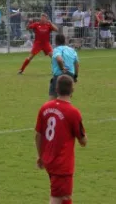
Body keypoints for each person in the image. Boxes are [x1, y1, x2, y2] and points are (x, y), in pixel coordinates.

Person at [35, 75, 87, 204]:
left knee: (64, 197)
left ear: (56, 89)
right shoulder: (73, 112)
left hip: (49, 160)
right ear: (72, 90)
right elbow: (83, 141)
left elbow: (38, 135)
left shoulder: (45, 108)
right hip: (62, 164)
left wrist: (40, 156)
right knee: (58, 198)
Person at [49, 34, 80, 101]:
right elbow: (77, 64)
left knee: (52, 99)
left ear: (56, 41)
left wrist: (62, 68)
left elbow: (59, 59)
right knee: (66, 98)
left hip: (59, 76)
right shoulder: (72, 50)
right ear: (64, 41)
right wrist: (75, 76)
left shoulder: (56, 50)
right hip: (70, 76)